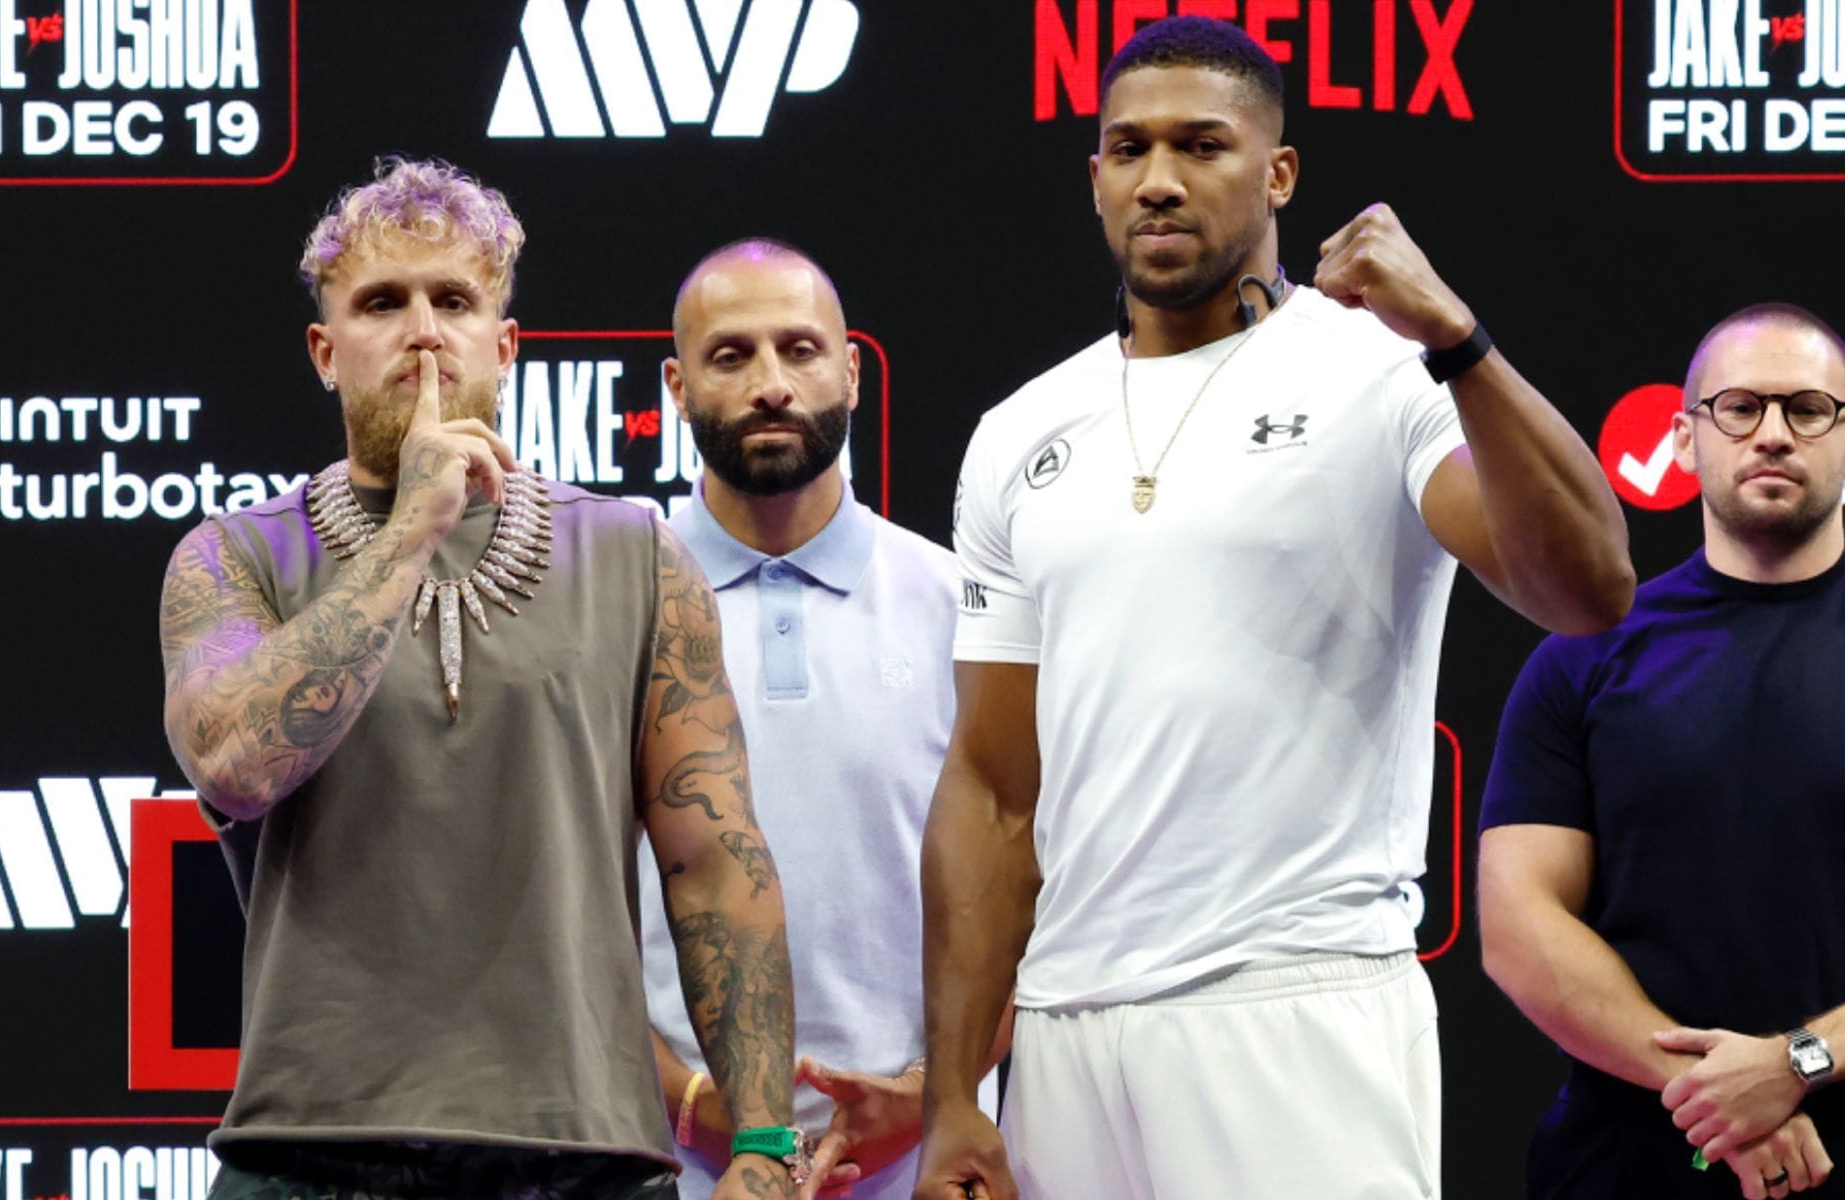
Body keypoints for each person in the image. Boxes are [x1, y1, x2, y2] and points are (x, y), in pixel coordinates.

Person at [913, 16, 1635, 1200]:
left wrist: (1456, 338)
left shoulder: (1379, 374)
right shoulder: (1019, 432)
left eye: (1202, 146)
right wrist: (954, 1099)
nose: (1159, 180)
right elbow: (995, 793)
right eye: (1127, 149)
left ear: (1279, 173)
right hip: (1067, 1032)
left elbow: (1588, 588)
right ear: (1093, 177)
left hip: (1295, 1006)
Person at [158, 159, 803, 1200]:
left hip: (582, 1154)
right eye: (382, 302)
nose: (422, 331)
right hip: (312, 1150)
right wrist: (410, 528)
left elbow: (715, 863)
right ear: (325, 354)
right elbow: (235, 764)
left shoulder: (634, 558)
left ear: (504, 347)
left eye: (453, 299)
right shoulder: (234, 557)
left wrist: (769, 1147)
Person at [637, 238, 998, 1200]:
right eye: (731, 356)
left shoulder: (958, 605)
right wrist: (685, 1101)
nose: (769, 384)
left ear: (849, 370)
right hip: (666, 1159)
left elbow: (1033, 886)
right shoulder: (615, 606)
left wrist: (928, 1096)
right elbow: (550, 906)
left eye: (799, 350)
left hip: (922, 1160)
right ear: (676, 384)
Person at [1480, 303, 1845, 1200]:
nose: (1772, 434)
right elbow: (1518, 927)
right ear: (1684, 441)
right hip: (1628, 1160)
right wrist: (1718, 1098)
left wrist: (1798, 1064)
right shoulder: (1585, 651)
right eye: (1739, 408)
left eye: (1807, 409)